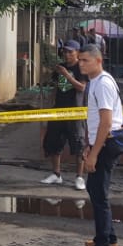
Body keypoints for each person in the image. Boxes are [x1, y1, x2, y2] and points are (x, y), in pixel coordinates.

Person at [74, 44, 123, 246]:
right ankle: (107, 238)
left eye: (85, 60)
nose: (81, 64)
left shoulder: (102, 84)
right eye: (80, 60)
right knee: (97, 192)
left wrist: (94, 153)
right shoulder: (94, 82)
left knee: (98, 194)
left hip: (106, 144)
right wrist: (90, 144)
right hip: (100, 142)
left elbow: (105, 121)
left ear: (98, 60)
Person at [41, 40, 88, 189]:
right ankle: (56, 174)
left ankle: (79, 177)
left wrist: (67, 75)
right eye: (65, 52)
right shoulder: (60, 68)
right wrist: (49, 106)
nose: (67, 55)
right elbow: (55, 87)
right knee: (54, 142)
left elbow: (82, 88)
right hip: (58, 110)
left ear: (77, 53)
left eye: (70, 52)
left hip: (75, 111)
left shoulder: (81, 68)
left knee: (78, 144)